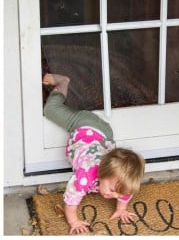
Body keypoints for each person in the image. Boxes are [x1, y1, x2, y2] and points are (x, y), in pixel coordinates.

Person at [42, 73, 145, 234]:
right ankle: (63, 82)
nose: (114, 195)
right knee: (50, 110)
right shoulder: (85, 176)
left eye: (117, 192)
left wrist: (122, 209)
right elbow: (70, 200)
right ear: (102, 172)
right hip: (84, 124)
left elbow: (125, 193)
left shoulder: (119, 183)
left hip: (104, 133)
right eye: (112, 189)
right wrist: (74, 221)